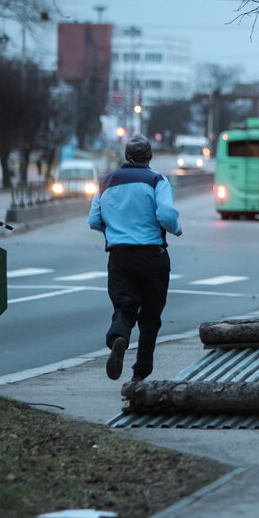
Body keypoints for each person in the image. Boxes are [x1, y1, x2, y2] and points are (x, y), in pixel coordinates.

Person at [88, 133, 182, 383]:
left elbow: (94, 220)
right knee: (150, 316)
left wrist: (116, 231)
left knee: (124, 306)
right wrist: (176, 228)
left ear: (126, 156)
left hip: (120, 257)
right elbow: (167, 214)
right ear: (149, 157)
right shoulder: (157, 180)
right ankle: (140, 374)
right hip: (152, 256)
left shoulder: (106, 182)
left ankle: (118, 337)